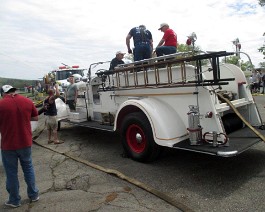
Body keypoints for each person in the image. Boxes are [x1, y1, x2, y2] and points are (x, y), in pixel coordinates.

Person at [0, 85, 39, 208]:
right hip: (25, 142)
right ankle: (33, 195)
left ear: (3, 93)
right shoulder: (27, 101)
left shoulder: (1, 104)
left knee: (11, 173)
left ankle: (14, 200)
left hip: (8, 145)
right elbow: (35, 117)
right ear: (14, 91)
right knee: (28, 168)